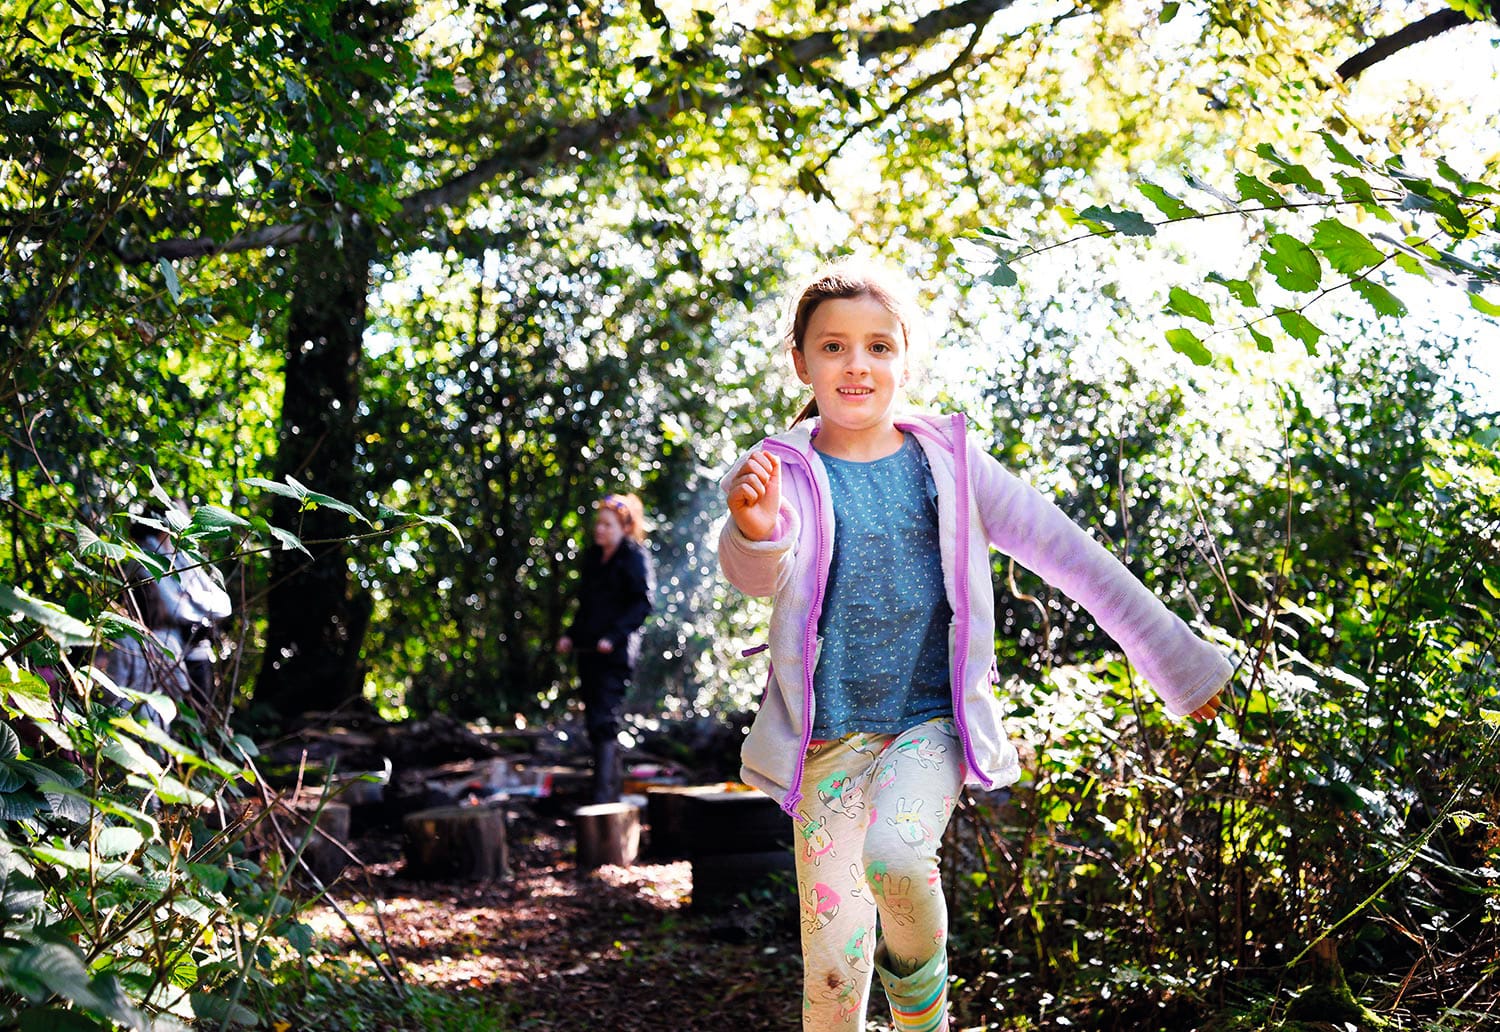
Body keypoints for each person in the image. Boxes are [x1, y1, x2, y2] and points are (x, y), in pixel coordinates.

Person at [716, 257, 1230, 1032]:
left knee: (896, 858)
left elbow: (1071, 555)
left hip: (927, 723)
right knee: (831, 974)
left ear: (905, 358)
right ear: (800, 361)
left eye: (879, 347)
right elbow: (756, 573)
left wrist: (1181, 666)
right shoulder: (780, 471)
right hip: (823, 744)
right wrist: (752, 530)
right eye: (833, 347)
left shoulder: (949, 465)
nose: (857, 364)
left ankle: (924, 1018)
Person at [557, 493, 655, 804]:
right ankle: (608, 792)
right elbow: (585, 604)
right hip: (588, 650)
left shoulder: (634, 557)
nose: (599, 530)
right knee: (593, 721)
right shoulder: (593, 558)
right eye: (598, 524)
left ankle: (604, 797)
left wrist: (613, 636)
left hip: (615, 653)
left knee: (604, 718)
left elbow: (642, 604)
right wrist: (570, 635)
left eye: (607, 525)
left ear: (624, 528)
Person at [129, 515, 233, 706]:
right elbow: (176, 609)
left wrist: (192, 595)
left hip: (198, 654)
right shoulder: (143, 557)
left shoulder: (183, 557)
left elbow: (224, 605)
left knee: (198, 716)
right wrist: (200, 609)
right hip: (166, 652)